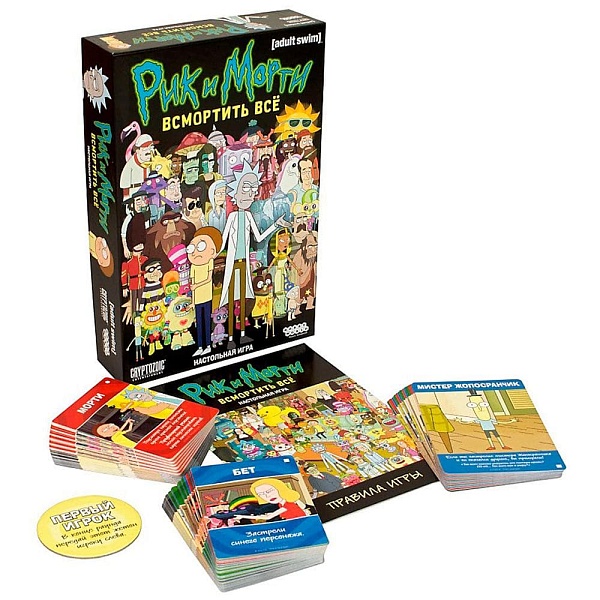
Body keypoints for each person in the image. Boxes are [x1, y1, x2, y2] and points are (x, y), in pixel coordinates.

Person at [241, 478, 310, 521]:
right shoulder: (281, 504)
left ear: (279, 488)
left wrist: (241, 516)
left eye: (269, 491)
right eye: (261, 494)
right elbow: (302, 507)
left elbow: (268, 517)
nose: (267, 495)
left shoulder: (288, 504)